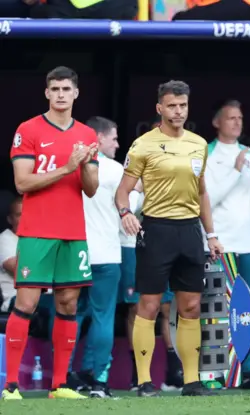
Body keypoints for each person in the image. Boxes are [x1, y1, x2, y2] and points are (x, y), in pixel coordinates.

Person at [115, 80, 224, 397]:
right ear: (159, 108)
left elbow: (202, 192)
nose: (178, 111)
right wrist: (126, 213)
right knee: (148, 305)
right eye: (172, 105)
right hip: (156, 229)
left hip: (190, 231)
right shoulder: (143, 145)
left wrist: (211, 234)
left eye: (183, 105)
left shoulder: (199, 144)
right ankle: (145, 381)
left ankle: (192, 381)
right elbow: (123, 191)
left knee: (190, 307)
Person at [3, 66, 99, 400]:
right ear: (47, 93)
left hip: (73, 231)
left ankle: (59, 386)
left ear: (76, 93)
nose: (60, 94)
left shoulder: (87, 135)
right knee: (26, 302)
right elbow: (22, 182)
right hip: (37, 229)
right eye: (54, 89)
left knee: (69, 303)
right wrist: (66, 167)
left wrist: (85, 166)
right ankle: (11, 386)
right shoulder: (28, 129)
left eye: (66, 89)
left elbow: (91, 189)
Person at [204, 100, 250, 389]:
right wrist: (236, 171)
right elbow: (208, 197)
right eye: (230, 118)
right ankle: (216, 372)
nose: (236, 123)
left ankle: (247, 370)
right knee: (216, 309)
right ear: (216, 122)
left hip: (247, 243)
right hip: (219, 243)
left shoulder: (249, 154)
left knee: (246, 308)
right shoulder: (207, 154)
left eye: (240, 118)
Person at [118, 116, 184, 393]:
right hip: (134, 243)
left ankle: (174, 372)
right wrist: (143, 190)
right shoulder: (137, 156)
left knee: (169, 307)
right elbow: (126, 200)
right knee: (139, 306)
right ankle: (138, 375)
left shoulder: (182, 158)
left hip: (166, 241)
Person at [70, 116, 122, 398]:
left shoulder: (69, 165)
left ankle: (63, 379)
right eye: (113, 138)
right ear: (99, 138)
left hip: (74, 252)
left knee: (70, 316)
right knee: (103, 318)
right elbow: (132, 208)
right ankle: (99, 382)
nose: (117, 143)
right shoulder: (116, 170)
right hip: (106, 254)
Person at [0, 197, 21, 312]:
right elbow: (22, 271)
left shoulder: (40, 239)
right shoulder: (4, 239)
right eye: (19, 215)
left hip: (45, 298)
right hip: (15, 300)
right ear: (10, 219)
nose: (25, 218)